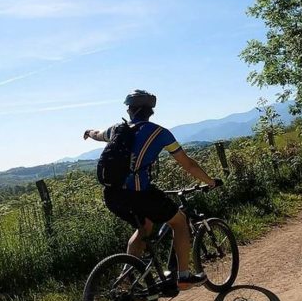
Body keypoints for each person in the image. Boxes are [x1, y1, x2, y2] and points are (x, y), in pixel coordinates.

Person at [84, 89, 221, 290]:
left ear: (131, 109)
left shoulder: (116, 129)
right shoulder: (160, 133)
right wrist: (210, 181)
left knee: (145, 226)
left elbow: (97, 134)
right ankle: (183, 276)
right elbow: (188, 164)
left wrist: (88, 132)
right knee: (180, 221)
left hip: (112, 195)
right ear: (150, 111)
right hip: (140, 194)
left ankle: (128, 278)